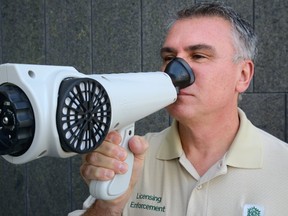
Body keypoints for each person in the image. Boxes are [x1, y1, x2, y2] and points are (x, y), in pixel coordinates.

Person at [69, 2, 288, 216]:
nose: (175, 72)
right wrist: (108, 207)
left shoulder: (282, 166)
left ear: (243, 75)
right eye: (169, 58)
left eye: (199, 56)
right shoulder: (129, 159)